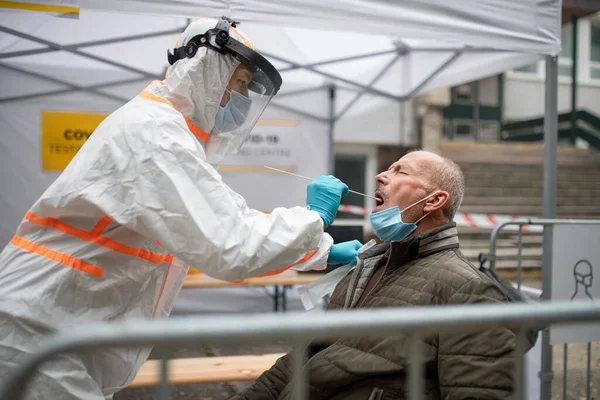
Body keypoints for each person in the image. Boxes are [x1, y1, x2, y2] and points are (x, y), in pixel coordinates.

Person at [0, 17, 362, 399]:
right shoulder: (155, 134)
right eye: (239, 82)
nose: (240, 99)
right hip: (37, 329)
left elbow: (230, 220)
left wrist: (318, 251)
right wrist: (315, 218)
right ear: (205, 70)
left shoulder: (168, 133)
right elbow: (229, 245)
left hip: (62, 326)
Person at [233, 150, 525, 400]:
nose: (381, 176)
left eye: (400, 171)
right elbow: (304, 358)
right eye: (388, 168)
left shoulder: (468, 290)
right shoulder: (367, 266)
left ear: (434, 201)